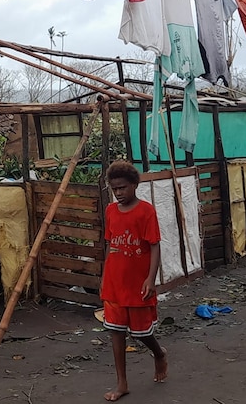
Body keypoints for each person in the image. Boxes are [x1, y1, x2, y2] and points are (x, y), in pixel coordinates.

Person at [101, 161, 167, 401]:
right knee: (115, 332)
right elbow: (110, 243)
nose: (119, 193)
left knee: (140, 333)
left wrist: (151, 279)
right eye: (115, 189)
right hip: (114, 283)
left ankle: (158, 353)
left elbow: (154, 245)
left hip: (138, 283)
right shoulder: (110, 211)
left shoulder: (146, 211)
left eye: (123, 188)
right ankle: (122, 383)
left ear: (134, 185)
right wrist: (105, 275)